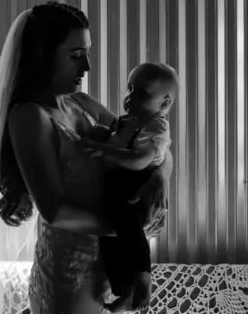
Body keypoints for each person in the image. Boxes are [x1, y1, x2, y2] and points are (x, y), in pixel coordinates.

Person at [0, 2, 173, 314]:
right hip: (70, 272)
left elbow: (156, 147)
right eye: (75, 55)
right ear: (43, 54)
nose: (86, 66)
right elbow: (55, 211)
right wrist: (129, 229)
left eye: (87, 52)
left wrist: (160, 177)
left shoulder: (83, 104)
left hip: (110, 264)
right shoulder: (30, 115)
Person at [81, 62, 178, 312]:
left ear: (164, 104)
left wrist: (104, 151)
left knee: (128, 229)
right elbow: (118, 137)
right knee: (111, 244)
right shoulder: (132, 120)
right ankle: (125, 291)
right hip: (114, 190)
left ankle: (143, 276)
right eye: (129, 88)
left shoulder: (155, 126)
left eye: (141, 93)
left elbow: (140, 160)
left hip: (133, 184)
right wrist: (103, 134)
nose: (130, 97)